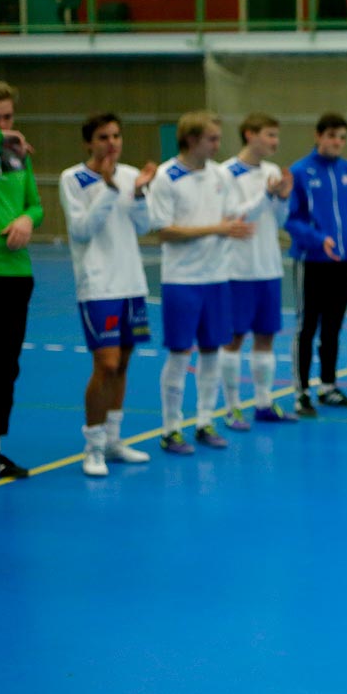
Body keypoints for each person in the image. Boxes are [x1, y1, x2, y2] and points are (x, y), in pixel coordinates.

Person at [148, 111, 256, 455]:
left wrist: (269, 197)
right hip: (182, 280)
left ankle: (205, 421)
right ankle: (170, 429)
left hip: (217, 278)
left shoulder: (219, 175)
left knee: (212, 351)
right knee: (180, 353)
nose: (217, 144)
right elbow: (163, 230)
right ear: (192, 140)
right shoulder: (167, 177)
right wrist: (216, 229)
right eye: (211, 138)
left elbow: (230, 215)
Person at [59, 113, 157, 477]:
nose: (111, 143)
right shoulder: (74, 178)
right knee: (107, 363)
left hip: (131, 283)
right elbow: (82, 230)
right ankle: (93, 446)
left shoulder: (131, 174)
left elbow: (145, 226)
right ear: (89, 143)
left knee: (125, 363)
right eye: (103, 137)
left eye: (116, 135)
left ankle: (114, 441)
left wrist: (140, 192)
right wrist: (108, 188)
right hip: (98, 286)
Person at [285, 112, 347, 417]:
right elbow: (291, 219)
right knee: (307, 326)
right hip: (311, 261)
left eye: (341, 137)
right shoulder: (299, 172)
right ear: (318, 136)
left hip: (344, 262)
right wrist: (316, 239)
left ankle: (328, 386)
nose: (337, 142)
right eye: (331, 136)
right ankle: (301, 392)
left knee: (333, 327)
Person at [217, 113, 297, 430]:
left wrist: (283, 198)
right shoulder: (226, 173)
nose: (275, 142)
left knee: (266, 337)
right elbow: (236, 217)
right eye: (269, 135)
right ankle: (232, 407)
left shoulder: (272, 171)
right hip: (238, 269)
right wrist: (266, 195)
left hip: (268, 266)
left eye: (277, 136)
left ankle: (263, 402)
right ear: (250, 135)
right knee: (233, 339)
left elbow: (278, 221)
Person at [0, 82, 42, 481]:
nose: (4, 125)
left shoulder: (14, 155)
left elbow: (35, 203)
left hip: (14, 273)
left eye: (8, 117)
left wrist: (28, 219)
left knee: (4, 366)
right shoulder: (6, 144)